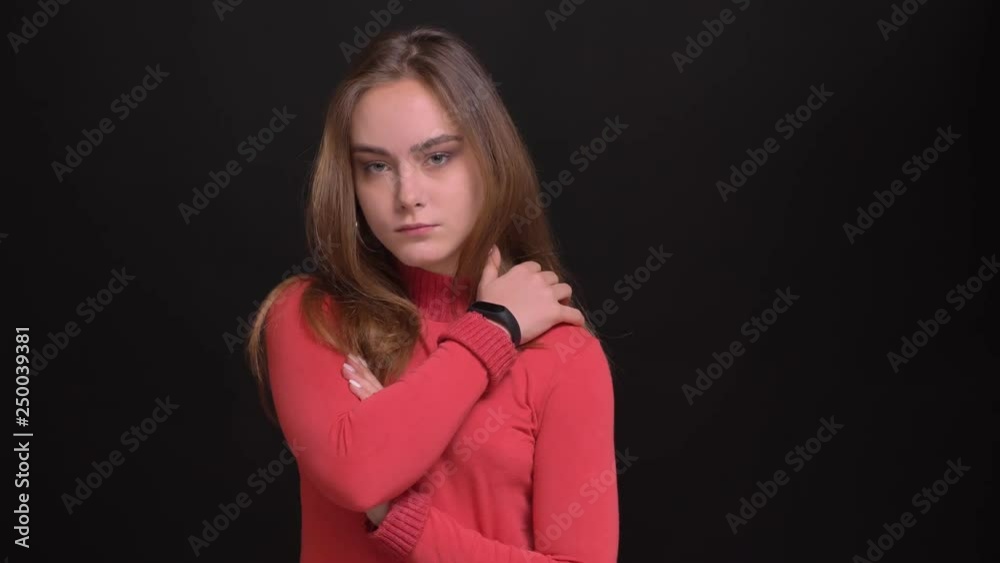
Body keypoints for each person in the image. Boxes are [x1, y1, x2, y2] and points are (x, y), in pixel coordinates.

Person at [245, 26, 619, 563]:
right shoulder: (314, 317)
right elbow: (357, 475)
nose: (408, 195)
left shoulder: (564, 356)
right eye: (376, 166)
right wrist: (491, 330)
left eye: (437, 157)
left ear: (490, 159)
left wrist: (399, 518)